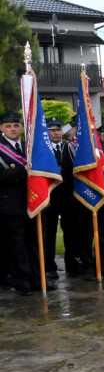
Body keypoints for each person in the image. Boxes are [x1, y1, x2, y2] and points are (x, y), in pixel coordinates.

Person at [0, 110, 32, 295]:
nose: (13, 129)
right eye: (8, 126)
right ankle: (21, 281)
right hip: (10, 205)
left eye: (16, 125)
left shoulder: (28, 146)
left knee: (33, 242)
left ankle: (36, 277)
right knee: (17, 245)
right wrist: (23, 170)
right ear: (2, 128)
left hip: (32, 201)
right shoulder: (1, 148)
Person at [44, 117, 76, 281]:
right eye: (52, 130)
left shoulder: (67, 147)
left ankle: (71, 264)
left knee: (70, 231)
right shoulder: (42, 149)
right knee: (49, 233)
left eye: (58, 130)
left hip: (67, 196)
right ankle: (49, 265)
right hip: (50, 197)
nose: (56, 133)